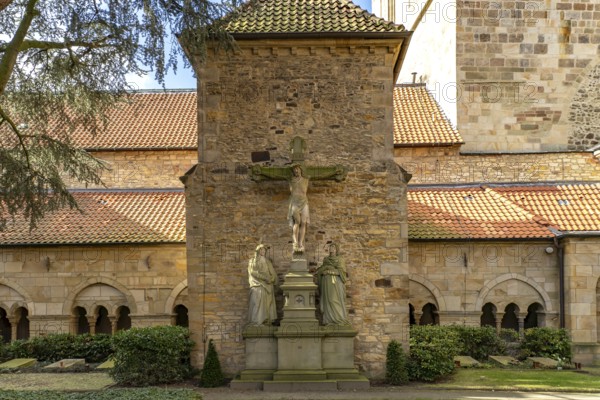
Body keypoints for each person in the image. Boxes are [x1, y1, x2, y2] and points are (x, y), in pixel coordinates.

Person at [315, 242, 350, 325]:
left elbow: (341, 272)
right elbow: (321, 270)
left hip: (336, 283)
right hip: (326, 283)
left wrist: (330, 271)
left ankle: (339, 319)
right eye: (330, 247)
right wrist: (325, 269)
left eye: (333, 247)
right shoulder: (326, 259)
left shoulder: (340, 259)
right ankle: (328, 320)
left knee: (334, 299)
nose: (331, 248)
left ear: (336, 249)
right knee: (328, 300)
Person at [247, 244, 277, 325]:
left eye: (264, 250)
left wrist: (271, 279)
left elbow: (273, 274)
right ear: (257, 251)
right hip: (258, 284)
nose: (263, 251)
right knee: (257, 301)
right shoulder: (253, 261)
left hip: (267, 285)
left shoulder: (268, 262)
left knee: (267, 303)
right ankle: (256, 321)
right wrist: (264, 278)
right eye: (261, 250)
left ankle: (266, 321)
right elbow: (252, 272)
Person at [288, 164, 309, 253]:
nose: (296, 171)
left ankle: (300, 243)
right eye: (294, 170)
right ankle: (295, 242)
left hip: (304, 202)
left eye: (297, 169)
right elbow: (275, 175)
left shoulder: (306, 180)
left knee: (303, 223)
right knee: (297, 222)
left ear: (300, 169)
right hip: (295, 203)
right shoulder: (291, 180)